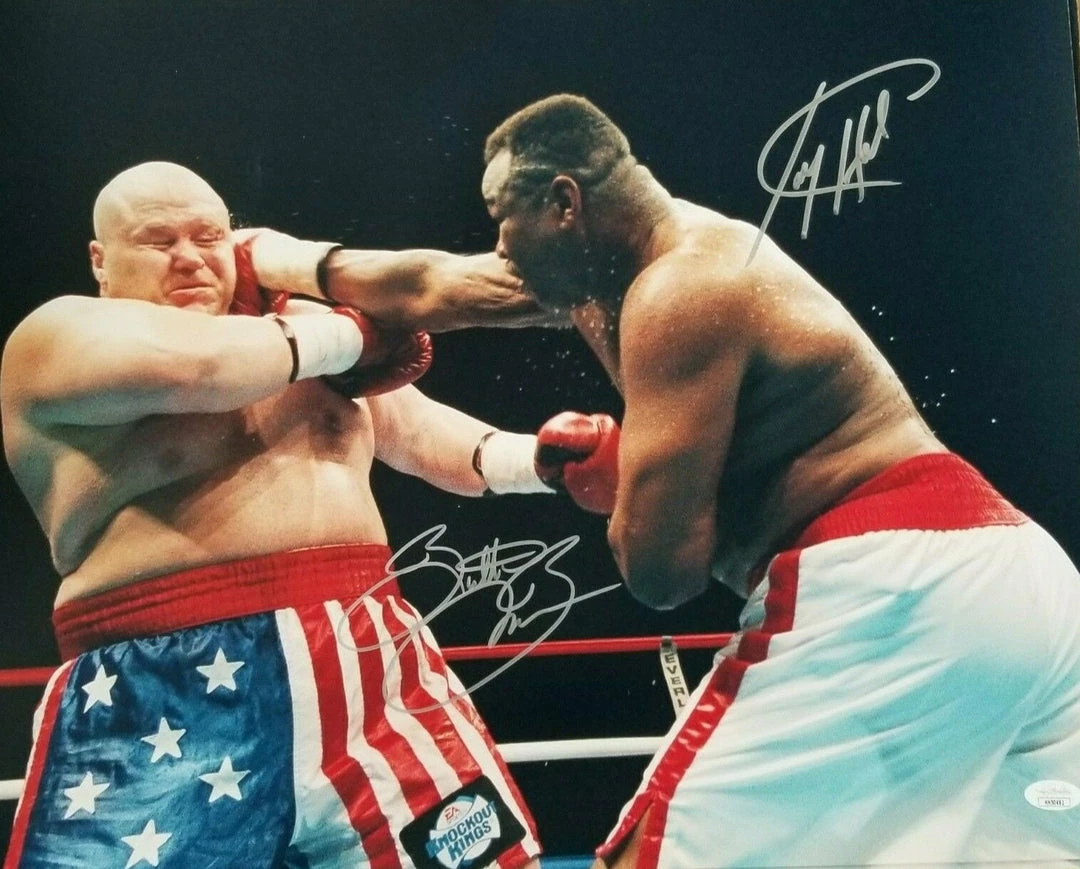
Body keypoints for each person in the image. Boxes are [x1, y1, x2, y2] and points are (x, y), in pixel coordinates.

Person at [479, 95, 1080, 868]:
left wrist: (624, 492)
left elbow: (662, 575)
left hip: (892, 587)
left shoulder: (677, 288)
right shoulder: (708, 254)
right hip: (1028, 584)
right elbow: (430, 286)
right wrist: (321, 271)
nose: (498, 248)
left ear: (564, 203)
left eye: (500, 217)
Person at [0, 160, 619, 869]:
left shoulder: (305, 331)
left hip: (365, 658)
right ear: (100, 260)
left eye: (209, 237)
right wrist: (352, 328)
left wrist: (542, 462)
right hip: (163, 690)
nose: (189, 258)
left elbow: (422, 436)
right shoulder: (56, 337)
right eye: (158, 241)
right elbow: (201, 370)